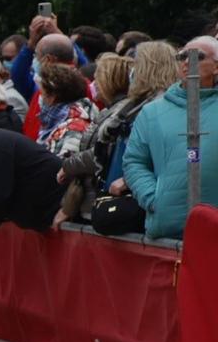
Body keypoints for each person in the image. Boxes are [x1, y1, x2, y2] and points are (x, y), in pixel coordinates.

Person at [119, 34, 218, 242]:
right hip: (168, 230)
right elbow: (134, 161)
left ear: (216, 66)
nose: (186, 62)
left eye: (197, 57)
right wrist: (154, 198)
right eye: (181, 56)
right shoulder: (152, 112)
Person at [92, 40, 177, 187]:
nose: (132, 70)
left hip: (138, 194)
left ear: (148, 67)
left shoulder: (159, 108)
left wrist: (129, 182)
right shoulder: (135, 105)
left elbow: (164, 159)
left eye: (136, 63)